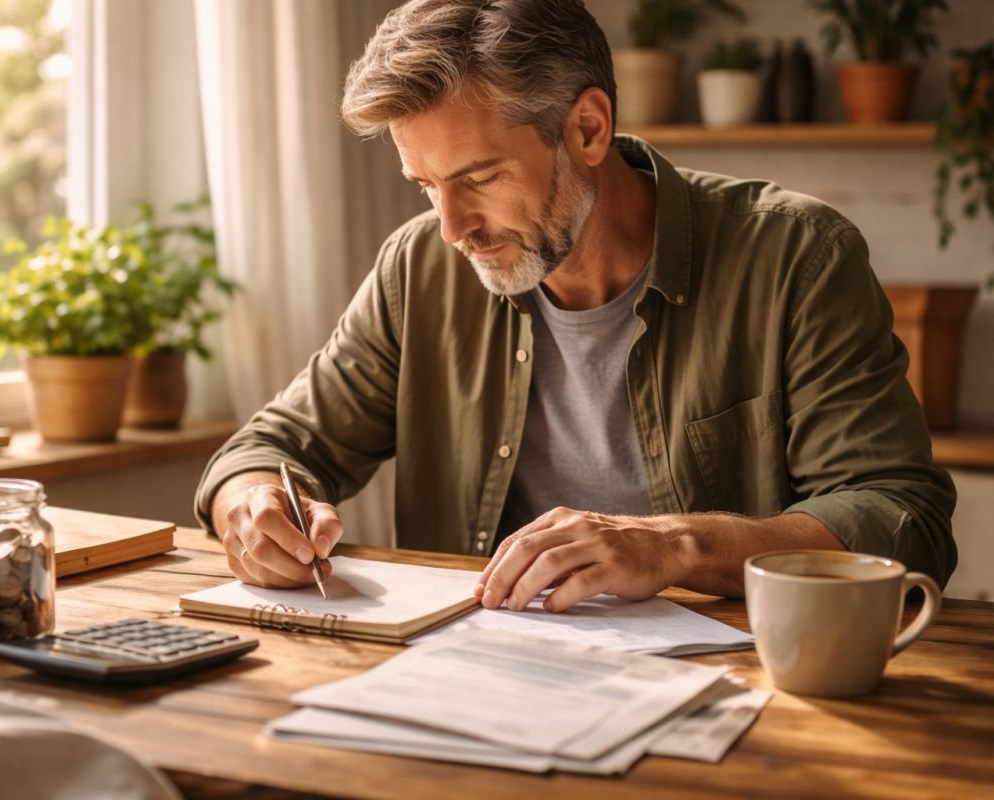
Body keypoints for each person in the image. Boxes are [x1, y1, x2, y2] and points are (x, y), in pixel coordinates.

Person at [194, 0, 956, 611]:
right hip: (473, 683)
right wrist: (254, 503)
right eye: (425, 187)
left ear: (588, 128)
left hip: (743, 696)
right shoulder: (419, 266)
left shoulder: (796, 255)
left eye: (479, 178)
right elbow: (274, 447)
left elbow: (902, 517)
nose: (453, 228)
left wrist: (672, 546)